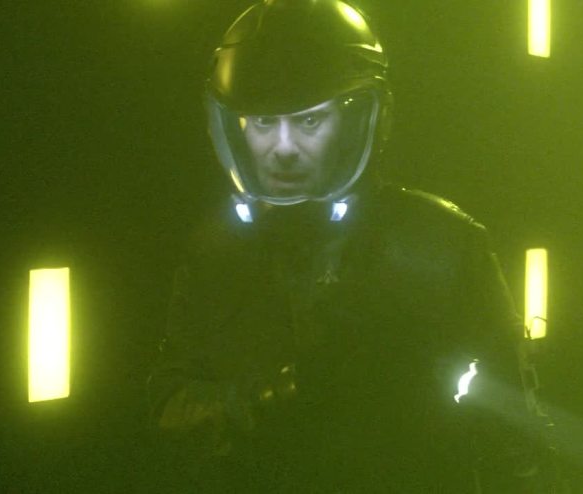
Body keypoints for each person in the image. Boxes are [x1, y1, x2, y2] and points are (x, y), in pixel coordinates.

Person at [148, 0, 553, 491]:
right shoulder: (215, 254)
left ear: (362, 118)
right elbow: (167, 409)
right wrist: (275, 393)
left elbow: (515, 443)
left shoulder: (440, 246)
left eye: (309, 121)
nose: (283, 148)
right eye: (262, 123)